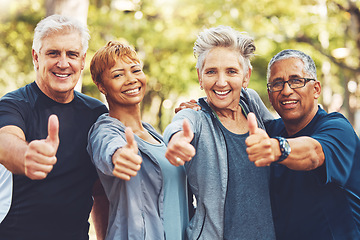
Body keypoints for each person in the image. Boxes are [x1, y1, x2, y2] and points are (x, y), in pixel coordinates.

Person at [0, 15, 109, 240]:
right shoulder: (13, 104)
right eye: (53, 53)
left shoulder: (96, 113)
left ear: (82, 60)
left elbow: (99, 190)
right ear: (36, 57)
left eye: (72, 54)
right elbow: (5, 141)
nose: (63, 63)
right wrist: (26, 155)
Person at [163, 26, 276, 239]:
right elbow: (179, 127)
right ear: (200, 76)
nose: (221, 82)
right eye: (211, 71)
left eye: (231, 71)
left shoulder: (251, 102)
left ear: (246, 76)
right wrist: (176, 141)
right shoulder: (195, 116)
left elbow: (282, 134)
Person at [246, 49, 360, 239]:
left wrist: (278, 149)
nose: (286, 90)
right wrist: (198, 110)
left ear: (316, 89)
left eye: (296, 80)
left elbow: (313, 153)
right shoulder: (269, 132)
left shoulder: (338, 129)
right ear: (270, 94)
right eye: (277, 83)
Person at [87, 41, 189, 240]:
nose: (131, 79)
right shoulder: (105, 129)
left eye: (135, 70)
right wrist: (119, 155)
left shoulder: (154, 134)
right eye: (118, 75)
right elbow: (106, 146)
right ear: (101, 86)